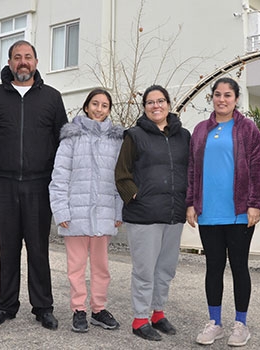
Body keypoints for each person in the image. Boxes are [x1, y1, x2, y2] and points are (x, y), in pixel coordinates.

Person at [0, 40, 67, 330]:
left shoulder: (52, 98)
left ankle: (43, 307)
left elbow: (64, 141)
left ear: (36, 62)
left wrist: (61, 180)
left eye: (27, 57)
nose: (22, 62)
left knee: (38, 248)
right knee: (8, 247)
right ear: (10, 62)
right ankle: (6, 306)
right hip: (3, 184)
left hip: (41, 185)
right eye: (17, 57)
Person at [187, 77, 260, 347]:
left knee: (239, 267)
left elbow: (259, 167)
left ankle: (240, 324)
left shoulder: (247, 128)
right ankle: (215, 323)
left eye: (228, 95)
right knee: (213, 268)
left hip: (239, 212)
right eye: (217, 95)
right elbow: (192, 170)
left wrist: (256, 202)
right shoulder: (200, 130)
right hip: (208, 212)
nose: (222, 99)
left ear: (236, 99)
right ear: (212, 97)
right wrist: (191, 203)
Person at [115, 85, 190, 342]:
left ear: (169, 104)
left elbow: (190, 172)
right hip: (144, 215)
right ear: (144, 107)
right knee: (145, 271)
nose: (155, 106)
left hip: (173, 213)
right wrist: (137, 195)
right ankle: (139, 319)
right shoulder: (134, 136)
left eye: (160, 101)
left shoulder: (184, 136)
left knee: (166, 269)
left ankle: (157, 313)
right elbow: (121, 174)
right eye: (150, 102)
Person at [49, 89, 123, 333]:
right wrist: (61, 211)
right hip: (75, 215)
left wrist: (118, 211)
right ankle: (78, 309)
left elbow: (120, 178)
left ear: (109, 110)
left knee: (101, 267)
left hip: (104, 213)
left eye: (104, 105)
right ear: (86, 106)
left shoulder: (116, 140)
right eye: (95, 104)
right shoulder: (72, 137)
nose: (99, 109)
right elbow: (59, 176)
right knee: (76, 266)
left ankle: (99, 309)